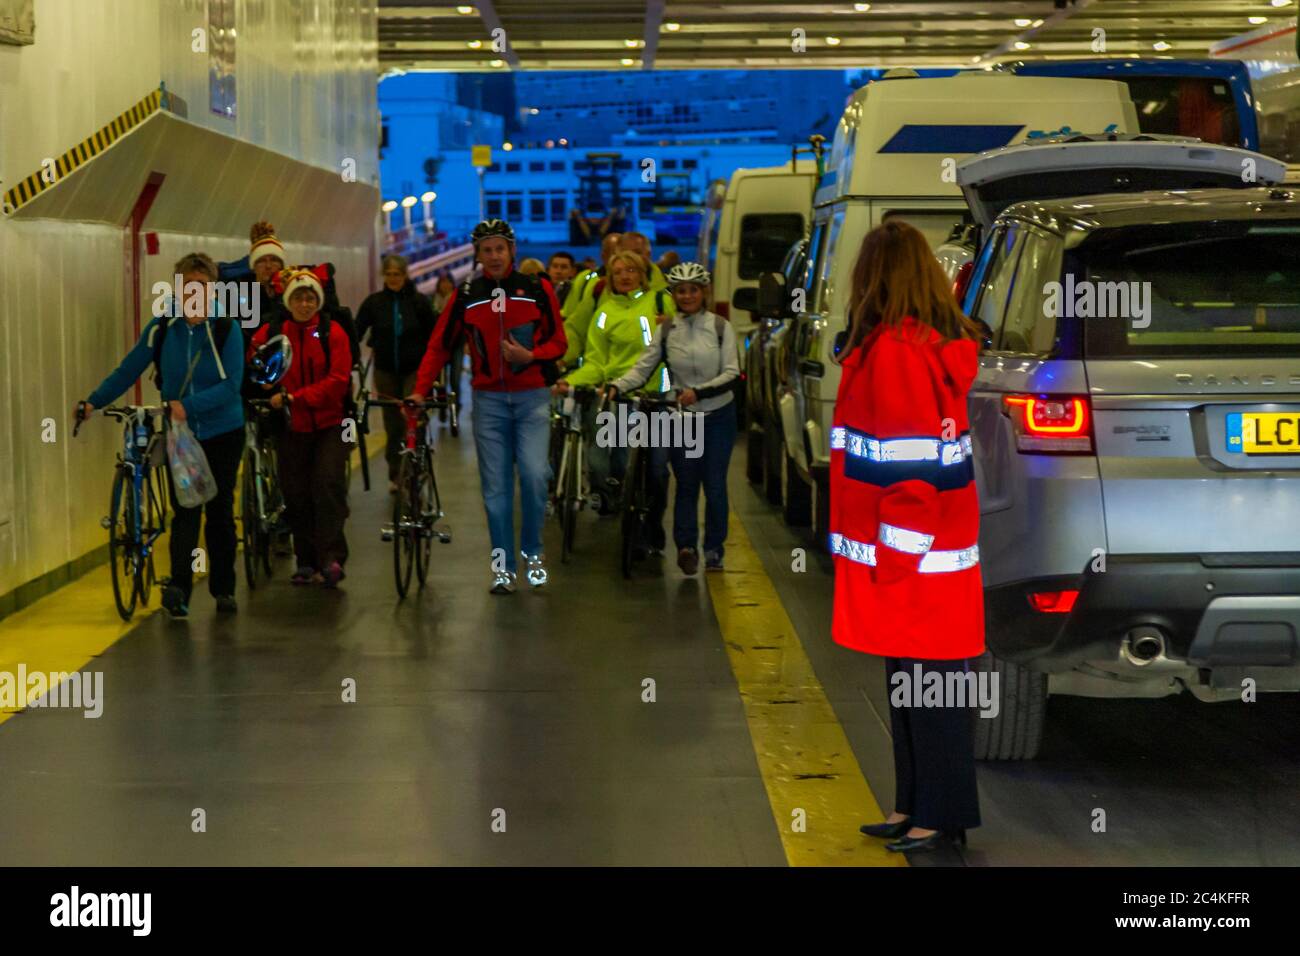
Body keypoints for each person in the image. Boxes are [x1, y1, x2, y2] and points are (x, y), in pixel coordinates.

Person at [831, 219, 984, 853]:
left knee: (932, 695)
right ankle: (912, 805)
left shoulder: (896, 352)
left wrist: (894, 559)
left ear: (876, 278)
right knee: (915, 690)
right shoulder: (920, 345)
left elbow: (910, 469)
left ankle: (938, 817)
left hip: (912, 562)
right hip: (931, 562)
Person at [81, 252, 245, 618]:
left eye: (201, 286)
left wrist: (190, 405)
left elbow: (233, 385)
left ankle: (223, 589)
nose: (193, 293)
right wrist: (93, 402)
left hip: (223, 431)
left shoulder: (225, 328)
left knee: (218, 511)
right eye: (187, 286)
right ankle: (179, 590)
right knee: (185, 510)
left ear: (212, 288)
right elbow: (129, 369)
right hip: (181, 435)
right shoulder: (163, 327)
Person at [408, 218, 566, 594]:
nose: (493, 256)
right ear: (477, 255)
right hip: (489, 402)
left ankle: (533, 554)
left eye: (500, 248)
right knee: (495, 493)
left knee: (533, 476)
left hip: (532, 399)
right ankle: (503, 569)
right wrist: (419, 390)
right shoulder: (465, 294)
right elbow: (438, 346)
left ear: (512, 250)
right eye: (486, 250)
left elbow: (559, 344)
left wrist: (531, 355)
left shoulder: (536, 288)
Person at [608, 262, 738, 574]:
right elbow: (644, 367)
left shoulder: (721, 327)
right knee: (687, 483)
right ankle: (686, 546)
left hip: (719, 415)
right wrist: (617, 386)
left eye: (694, 289)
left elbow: (733, 373)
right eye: (681, 290)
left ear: (703, 292)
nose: (688, 295)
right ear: (675, 294)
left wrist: (700, 392)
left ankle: (714, 549)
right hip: (682, 418)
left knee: (715, 484)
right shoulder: (667, 330)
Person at [249, 267, 354, 588]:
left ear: (319, 301)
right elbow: (254, 365)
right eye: (298, 298)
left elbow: (338, 380)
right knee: (296, 493)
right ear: (288, 300)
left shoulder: (333, 333)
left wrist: (297, 397)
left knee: (327, 484)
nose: (305, 304)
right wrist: (267, 388)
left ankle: (331, 559)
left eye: (310, 298)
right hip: (290, 425)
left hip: (330, 423)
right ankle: (306, 560)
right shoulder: (271, 332)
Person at [556, 250, 673, 514]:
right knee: (606, 461)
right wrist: (571, 381)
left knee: (657, 470)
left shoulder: (661, 302)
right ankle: (611, 495)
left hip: (657, 396)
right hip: (616, 394)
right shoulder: (605, 313)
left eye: (630, 270)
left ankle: (651, 520)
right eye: (617, 272)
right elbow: (596, 361)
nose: (624, 277)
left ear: (642, 275)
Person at [355, 254, 438, 491]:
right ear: (384, 276)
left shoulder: (419, 302)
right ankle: (396, 473)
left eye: (397, 274)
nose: (393, 279)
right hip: (385, 370)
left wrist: (435, 370)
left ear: (405, 275)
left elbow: (434, 336)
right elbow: (357, 331)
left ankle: (415, 466)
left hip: (414, 369)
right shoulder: (374, 303)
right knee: (392, 424)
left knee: (411, 417)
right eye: (389, 274)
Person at [218, 221, 288, 345]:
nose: (268, 266)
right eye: (262, 261)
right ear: (253, 266)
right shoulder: (237, 291)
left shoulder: (289, 293)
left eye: (274, 260)